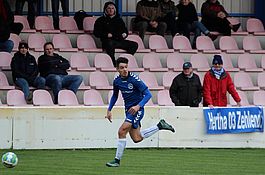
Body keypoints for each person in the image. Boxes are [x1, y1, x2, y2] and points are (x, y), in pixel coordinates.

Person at [105, 57, 175, 167]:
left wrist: (138, 106)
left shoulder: (134, 80)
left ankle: (117, 160)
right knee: (136, 138)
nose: (125, 70)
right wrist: (109, 109)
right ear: (117, 69)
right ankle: (159, 126)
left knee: (121, 131)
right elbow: (114, 95)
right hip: (128, 110)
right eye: (122, 68)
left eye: (126, 67)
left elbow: (148, 94)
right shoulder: (117, 81)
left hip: (137, 110)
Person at [94, 1, 138, 67]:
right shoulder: (100, 20)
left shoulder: (119, 20)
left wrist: (125, 34)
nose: (111, 10)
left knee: (134, 45)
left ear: (115, 10)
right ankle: (113, 63)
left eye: (112, 8)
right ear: (105, 10)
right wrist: (106, 35)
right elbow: (96, 33)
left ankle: (123, 60)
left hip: (119, 40)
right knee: (110, 43)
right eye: (109, 8)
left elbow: (124, 31)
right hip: (108, 41)